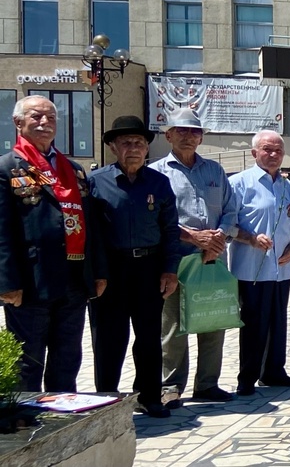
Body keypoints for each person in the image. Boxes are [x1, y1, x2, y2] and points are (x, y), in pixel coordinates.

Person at [0, 96, 106, 394]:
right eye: (36, 117)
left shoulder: (73, 169)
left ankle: (63, 414)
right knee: (28, 356)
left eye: (51, 118)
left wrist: (97, 272)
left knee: (67, 355)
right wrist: (7, 282)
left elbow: (90, 224)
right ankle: (26, 414)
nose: (45, 122)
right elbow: (2, 232)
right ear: (18, 123)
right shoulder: (8, 169)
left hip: (74, 278)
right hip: (32, 281)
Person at [86, 116, 181, 418]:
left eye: (139, 143)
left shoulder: (158, 182)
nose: (134, 148)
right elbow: (89, 234)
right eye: (126, 142)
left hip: (149, 268)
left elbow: (170, 229)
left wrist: (170, 270)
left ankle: (149, 396)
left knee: (150, 337)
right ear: (113, 146)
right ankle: (106, 399)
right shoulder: (95, 182)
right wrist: (95, 273)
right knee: (109, 339)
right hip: (110, 270)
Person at [150, 108, 240, 406]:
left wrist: (218, 237)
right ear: (169, 135)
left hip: (212, 258)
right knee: (173, 325)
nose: (189, 136)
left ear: (201, 137)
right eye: (182, 131)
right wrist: (193, 237)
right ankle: (171, 386)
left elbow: (230, 209)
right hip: (176, 258)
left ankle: (207, 384)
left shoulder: (214, 171)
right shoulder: (158, 173)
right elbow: (157, 218)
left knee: (213, 319)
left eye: (195, 132)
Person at [227, 130, 290, 396]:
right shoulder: (239, 183)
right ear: (254, 153)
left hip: (281, 268)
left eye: (278, 151)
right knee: (253, 323)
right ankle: (247, 376)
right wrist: (250, 238)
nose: (273, 155)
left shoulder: (285, 186)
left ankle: (274, 370)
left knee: (277, 321)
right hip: (251, 268)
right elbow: (228, 224)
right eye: (267, 150)